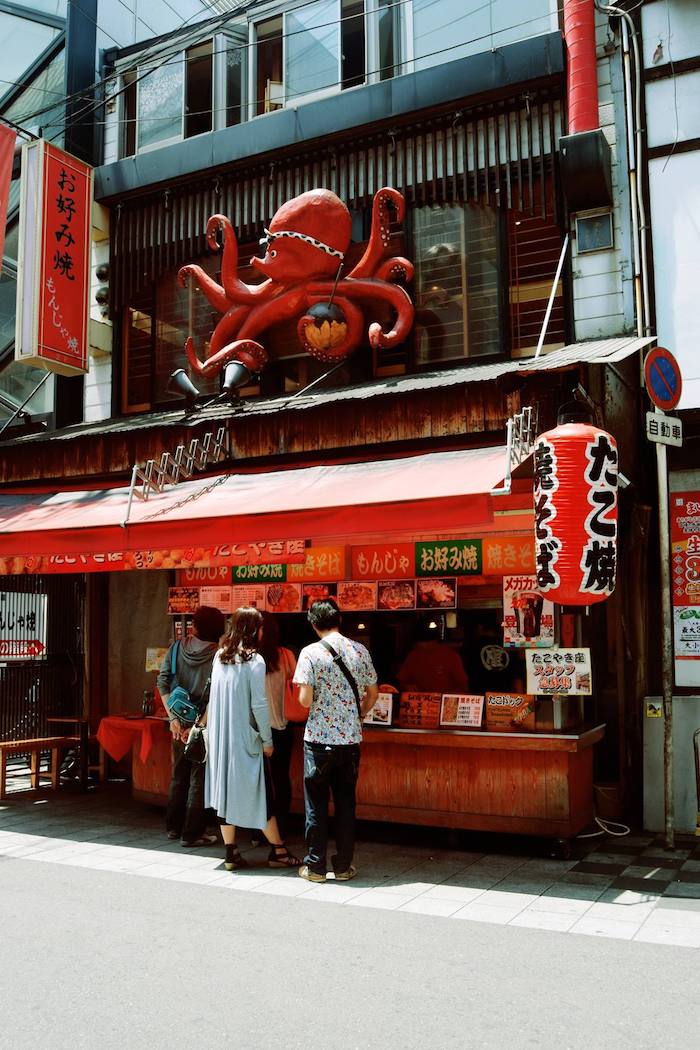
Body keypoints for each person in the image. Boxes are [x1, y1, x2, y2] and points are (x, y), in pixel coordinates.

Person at [204, 606, 301, 872]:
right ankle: (278, 851)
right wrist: (267, 741)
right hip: (246, 738)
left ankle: (231, 852)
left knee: (225, 793)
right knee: (262, 794)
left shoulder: (220, 657)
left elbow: (214, 697)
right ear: (253, 629)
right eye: (259, 627)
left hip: (222, 736)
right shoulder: (254, 661)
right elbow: (259, 705)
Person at [294, 598, 378, 884]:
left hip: (318, 741)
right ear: (338, 620)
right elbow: (373, 692)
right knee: (345, 805)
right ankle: (342, 866)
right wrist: (360, 714)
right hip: (350, 741)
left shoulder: (309, 653)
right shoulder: (359, 650)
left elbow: (304, 701)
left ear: (313, 624)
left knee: (315, 806)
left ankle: (315, 867)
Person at [157, 605, 225, 848]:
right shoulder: (219, 656)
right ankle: (192, 833)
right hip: (204, 723)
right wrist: (199, 725)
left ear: (195, 627)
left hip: (178, 723)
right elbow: (217, 694)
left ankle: (173, 828)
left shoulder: (176, 649)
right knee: (198, 777)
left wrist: (174, 720)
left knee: (179, 775)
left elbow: (162, 683)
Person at [258, 611, 297, 838]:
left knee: (259, 779)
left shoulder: (249, 656)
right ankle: (281, 825)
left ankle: (260, 829)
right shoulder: (286, 655)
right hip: (282, 725)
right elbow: (298, 684)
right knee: (281, 777)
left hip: (255, 728)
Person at [397, 619, 469, 695]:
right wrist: (406, 686)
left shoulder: (451, 656)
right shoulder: (414, 655)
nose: (424, 646)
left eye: (428, 642)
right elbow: (401, 681)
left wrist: (444, 698)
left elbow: (463, 687)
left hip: (444, 703)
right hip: (420, 702)